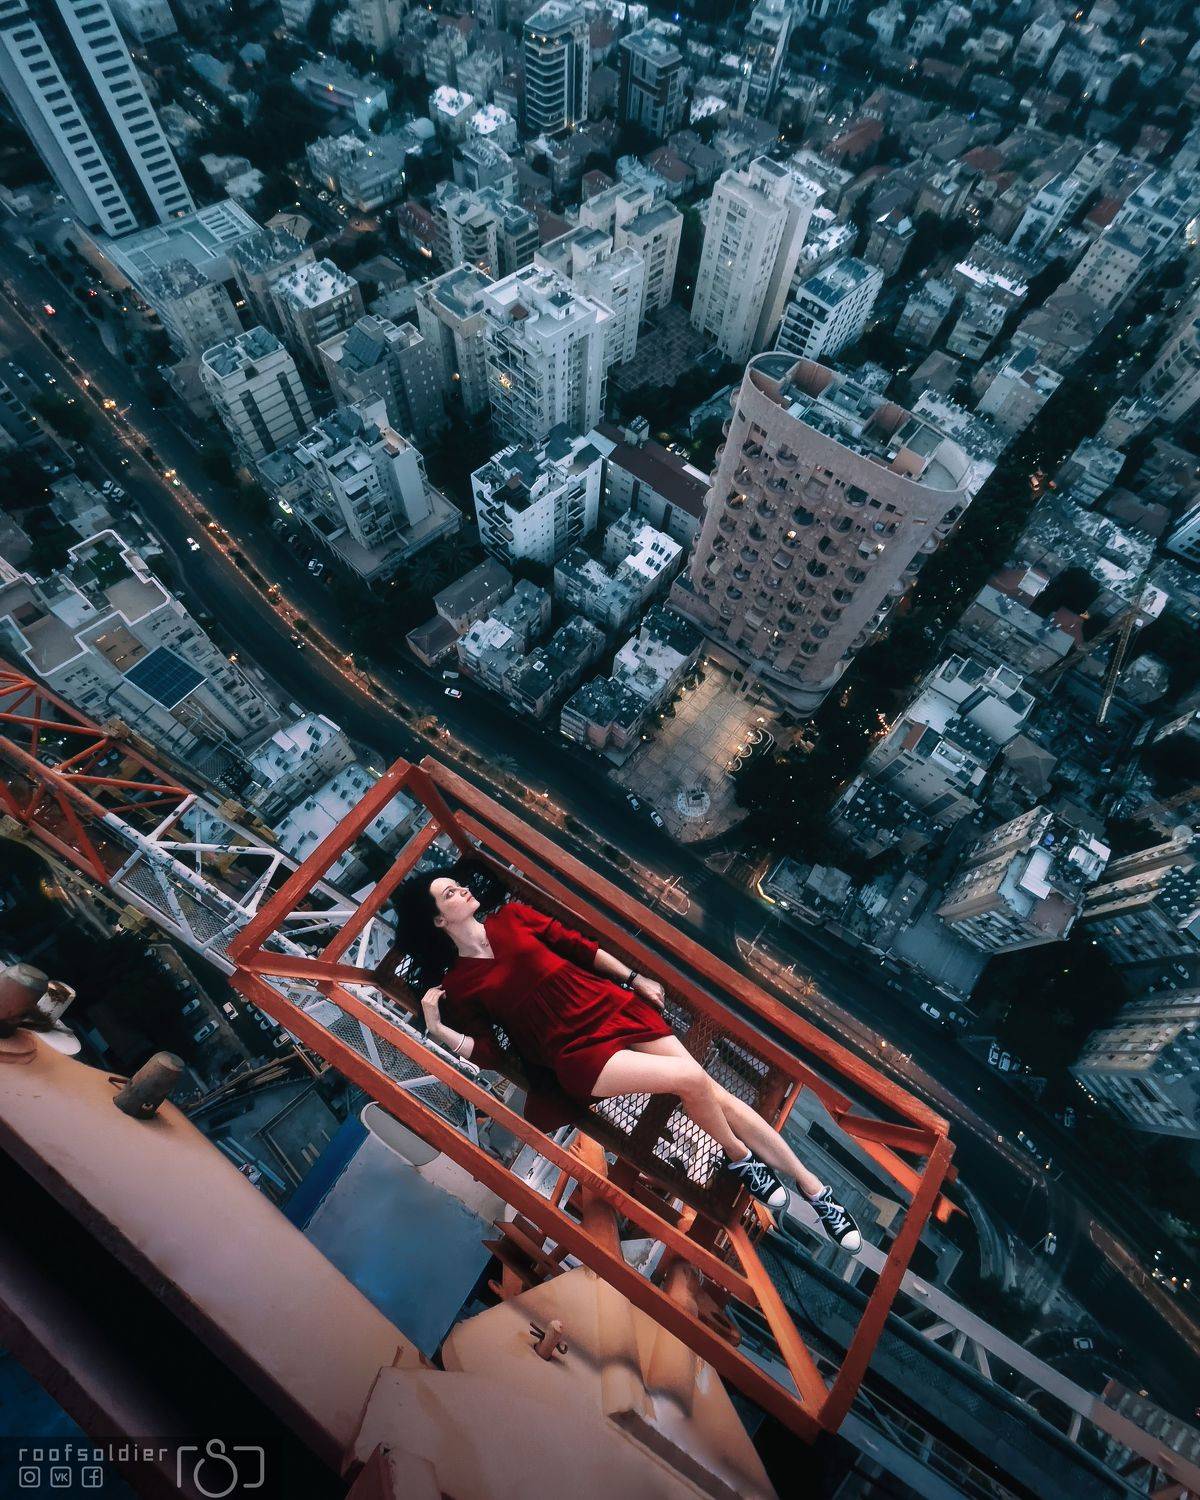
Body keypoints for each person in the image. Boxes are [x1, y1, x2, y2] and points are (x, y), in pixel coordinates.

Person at [394, 865, 861, 1251]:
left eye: (458, 883)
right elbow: (490, 1052)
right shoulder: (457, 986)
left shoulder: (512, 918)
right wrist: (438, 1030)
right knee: (693, 1082)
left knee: (714, 1091)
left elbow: (579, 946)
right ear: (438, 920)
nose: (463, 888)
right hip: (576, 1055)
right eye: (450, 892)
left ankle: (815, 1189)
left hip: (611, 1008)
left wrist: (633, 977)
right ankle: (741, 1158)